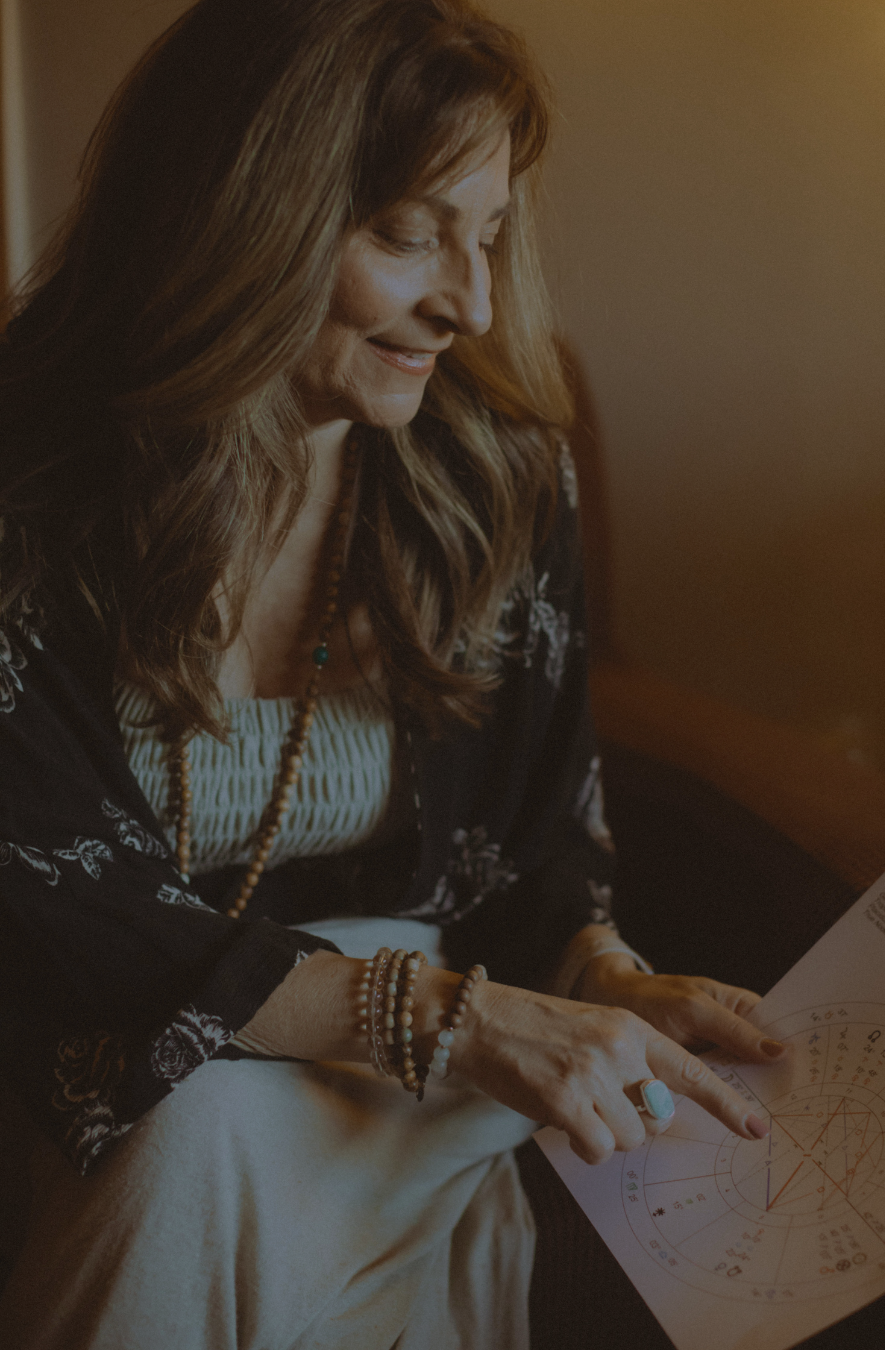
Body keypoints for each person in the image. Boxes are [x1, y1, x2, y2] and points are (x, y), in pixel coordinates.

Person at [0, 2, 784, 1345]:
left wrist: (599, 972)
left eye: (486, 237)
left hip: (403, 1081)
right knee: (187, 1134)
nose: (470, 302)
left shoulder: (497, 476)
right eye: (410, 234)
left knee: (201, 1148)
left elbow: (540, 851)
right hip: (87, 1065)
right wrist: (438, 1018)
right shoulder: (30, 479)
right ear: (245, 214)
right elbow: (49, 904)